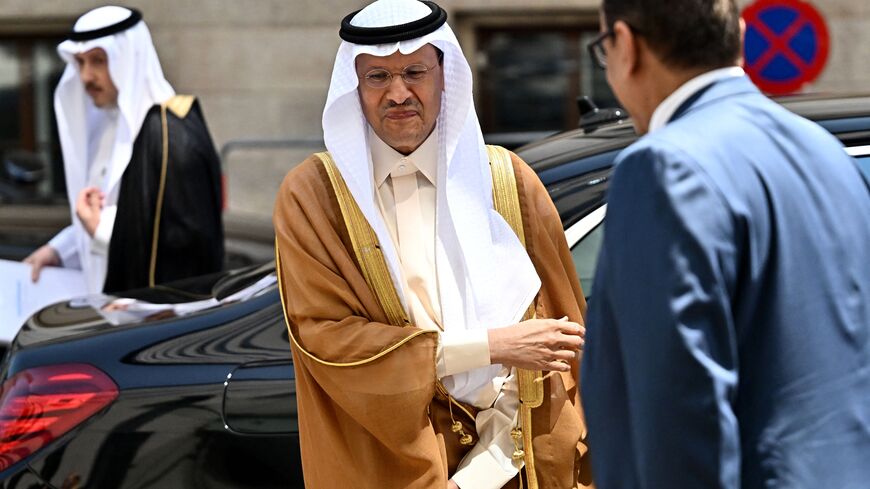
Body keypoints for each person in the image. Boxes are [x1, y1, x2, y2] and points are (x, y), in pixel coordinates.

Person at [273, 0, 592, 487]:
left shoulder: (507, 182)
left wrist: (483, 472)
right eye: (378, 77)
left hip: (510, 466)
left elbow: (555, 343)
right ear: (353, 87)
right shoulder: (314, 197)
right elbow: (329, 341)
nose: (399, 93)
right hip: (386, 465)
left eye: (415, 72)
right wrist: (489, 346)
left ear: (445, 75)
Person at [580, 0, 870, 488]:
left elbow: (678, 408)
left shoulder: (662, 166)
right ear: (737, 32)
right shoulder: (824, 149)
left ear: (625, 46)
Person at [24, 5, 224, 294]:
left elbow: (187, 250)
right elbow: (113, 217)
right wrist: (58, 250)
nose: (86, 76)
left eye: (98, 61)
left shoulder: (171, 136)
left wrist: (102, 231)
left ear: (129, 59)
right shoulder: (109, 125)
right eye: (80, 63)